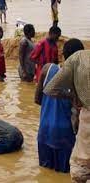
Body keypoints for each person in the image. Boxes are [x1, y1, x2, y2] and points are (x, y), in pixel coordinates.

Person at [34, 39, 84, 173]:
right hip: (64, 137)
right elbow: (80, 115)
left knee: (44, 174)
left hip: (44, 132)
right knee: (63, 175)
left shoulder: (47, 69)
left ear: (63, 54)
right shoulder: (80, 80)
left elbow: (37, 99)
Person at [43, 45, 90, 182]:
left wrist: (73, 96)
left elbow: (50, 89)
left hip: (82, 118)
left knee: (79, 169)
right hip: (64, 129)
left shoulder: (75, 59)